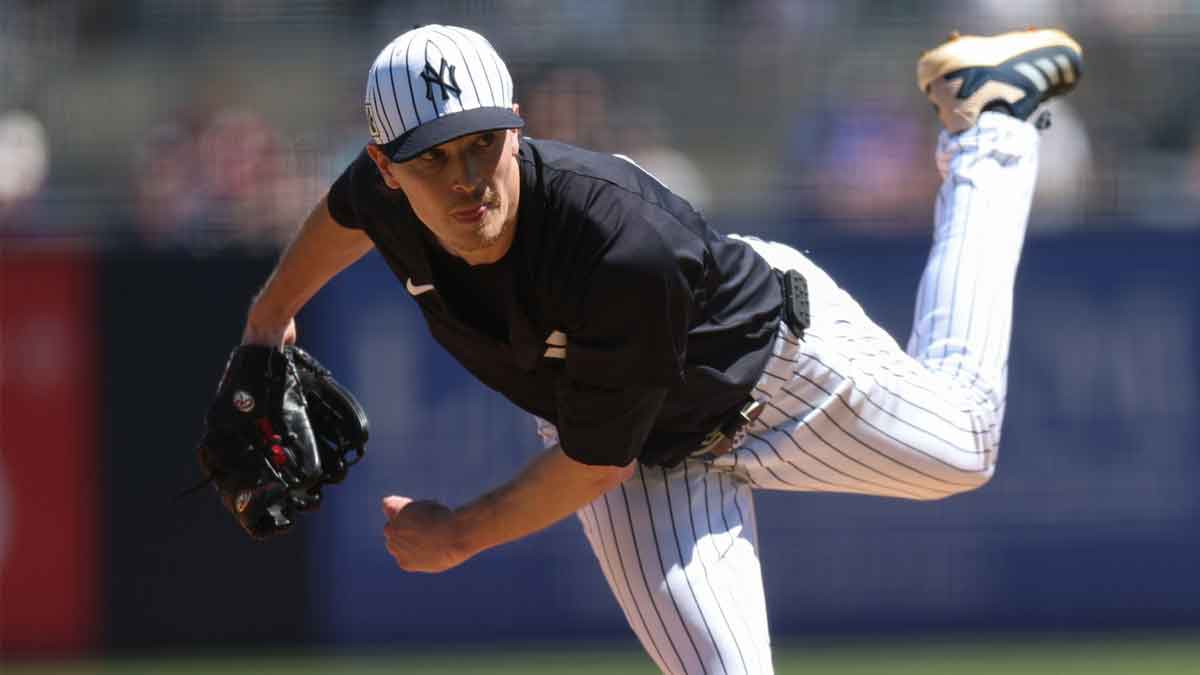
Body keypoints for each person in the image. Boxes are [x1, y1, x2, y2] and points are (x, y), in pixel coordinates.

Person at [239, 24, 1083, 674]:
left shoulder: (617, 242)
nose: (465, 178)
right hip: (643, 455)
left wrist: (458, 533)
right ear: (388, 168)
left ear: (516, 127)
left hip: (771, 374)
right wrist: (268, 315)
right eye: (432, 159)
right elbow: (342, 213)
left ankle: (991, 125)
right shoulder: (381, 197)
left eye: (482, 143)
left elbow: (593, 463)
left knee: (968, 442)